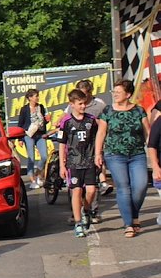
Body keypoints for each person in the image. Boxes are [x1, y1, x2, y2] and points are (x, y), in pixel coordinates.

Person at [95, 79, 151, 238]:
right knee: (123, 187)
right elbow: (101, 133)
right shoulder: (107, 111)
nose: (115, 95)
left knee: (140, 186)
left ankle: (133, 214)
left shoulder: (139, 111)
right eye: (114, 92)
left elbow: (148, 133)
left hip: (137, 154)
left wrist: (153, 152)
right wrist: (98, 154)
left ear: (128, 95)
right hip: (114, 155)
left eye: (118, 92)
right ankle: (129, 223)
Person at [59, 89, 99, 238]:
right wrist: (63, 165)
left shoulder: (91, 120)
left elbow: (97, 138)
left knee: (91, 191)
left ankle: (86, 210)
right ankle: (78, 223)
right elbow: (62, 143)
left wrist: (98, 155)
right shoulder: (66, 122)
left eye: (84, 103)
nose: (83, 106)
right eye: (80, 104)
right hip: (73, 163)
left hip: (88, 161)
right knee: (76, 191)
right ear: (72, 104)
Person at [17, 88, 49, 189]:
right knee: (31, 158)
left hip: (40, 135)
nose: (37, 98)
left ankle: (38, 174)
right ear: (30, 98)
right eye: (36, 96)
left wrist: (47, 120)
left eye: (38, 96)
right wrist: (20, 139)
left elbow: (43, 121)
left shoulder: (41, 107)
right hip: (28, 135)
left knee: (44, 156)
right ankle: (32, 180)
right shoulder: (24, 109)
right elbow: (20, 124)